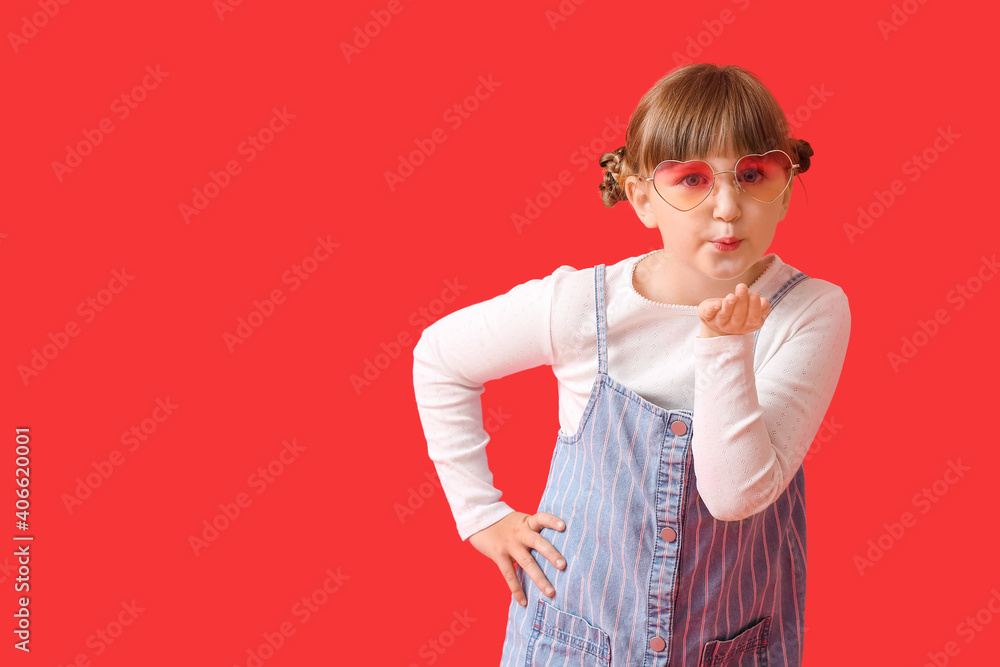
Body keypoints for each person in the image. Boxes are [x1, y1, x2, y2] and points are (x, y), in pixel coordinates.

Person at [412, 63, 850, 667]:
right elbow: (440, 357)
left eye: (753, 174)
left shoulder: (808, 312)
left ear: (786, 187)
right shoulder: (579, 308)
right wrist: (481, 515)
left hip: (730, 644)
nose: (727, 206)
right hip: (576, 640)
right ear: (642, 197)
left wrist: (725, 345)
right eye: (692, 180)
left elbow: (733, 494)